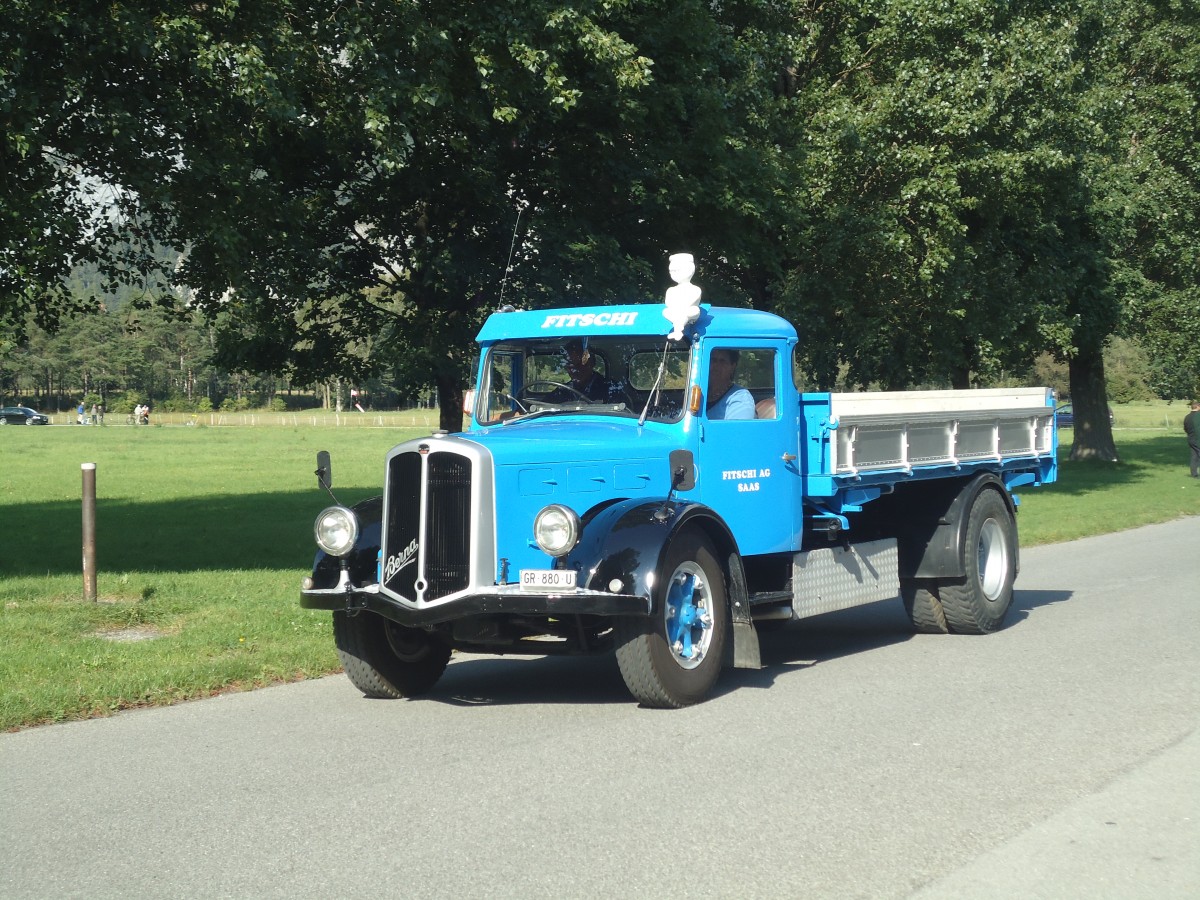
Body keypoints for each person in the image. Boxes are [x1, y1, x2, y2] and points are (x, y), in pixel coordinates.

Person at [551, 340, 619, 403]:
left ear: (592, 363)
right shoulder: (562, 391)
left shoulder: (610, 388)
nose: (574, 370)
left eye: (580, 364)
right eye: (570, 365)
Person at [706, 349, 755, 420]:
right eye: (713, 360)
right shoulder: (698, 393)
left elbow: (738, 430)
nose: (716, 366)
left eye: (722, 361)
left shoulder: (740, 398)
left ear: (732, 367)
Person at [1185, 400, 1200, 478]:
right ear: (1197, 407)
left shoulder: (1187, 417)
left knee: (1194, 456)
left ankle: (1194, 474)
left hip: (1190, 439)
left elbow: (1186, 428)